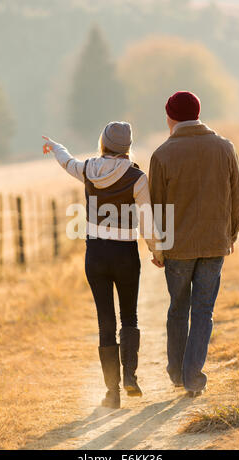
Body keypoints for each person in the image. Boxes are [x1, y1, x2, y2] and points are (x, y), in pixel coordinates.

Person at [42, 121, 163, 408]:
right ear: (127, 147)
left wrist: (55, 146)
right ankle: (130, 376)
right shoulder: (137, 177)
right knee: (129, 317)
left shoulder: (88, 169)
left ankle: (112, 393)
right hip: (125, 254)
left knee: (105, 323)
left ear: (104, 143)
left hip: (95, 254)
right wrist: (157, 252)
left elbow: (67, 162)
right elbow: (146, 222)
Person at [149, 91, 239, 397]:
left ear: (170, 117)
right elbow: (236, 196)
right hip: (215, 243)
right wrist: (230, 235)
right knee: (203, 311)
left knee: (178, 308)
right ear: (198, 114)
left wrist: (158, 248)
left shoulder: (162, 155)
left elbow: (156, 209)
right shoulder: (224, 147)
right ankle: (193, 377)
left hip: (178, 248)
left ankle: (177, 373)